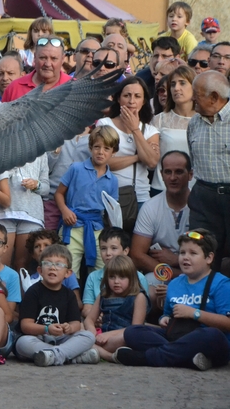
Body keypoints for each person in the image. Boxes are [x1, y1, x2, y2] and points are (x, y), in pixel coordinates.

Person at [115, 230, 230, 370]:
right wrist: (164, 319)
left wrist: (194, 313)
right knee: (133, 331)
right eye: (182, 253)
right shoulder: (174, 283)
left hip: (208, 341)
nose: (186, 258)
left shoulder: (221, 284)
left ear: (209, 258)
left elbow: (227, 323)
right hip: (177, 337)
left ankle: (146, 358)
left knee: (212, 335)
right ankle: (188, 360)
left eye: (193, 253)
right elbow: (167, 314)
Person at [15, 244, 97, 366]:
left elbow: (75, 323)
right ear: (40, 270)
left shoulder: (69, 294)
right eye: (47, 263)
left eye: (59, 265)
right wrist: (47, 329)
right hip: (38, 337)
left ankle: (53, 355)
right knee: (22, 343)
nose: (52, 268)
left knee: (88, 336)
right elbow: (25, 326)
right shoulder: (33, 292)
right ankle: (72, 357)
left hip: (61, 338)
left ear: (68, 273)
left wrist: (69, 328)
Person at [95, 77, 160, 230]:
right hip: (108, 196)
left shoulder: (150, 131)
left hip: (140, 196)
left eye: (137, 96)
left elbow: (151, 162)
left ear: (144, 101)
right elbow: (102, 162)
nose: (131, 101)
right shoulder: (105, 124)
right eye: (127, 95)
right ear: (118, 99)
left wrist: (135, 129)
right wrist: (138, 157)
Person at [54, 125, 120, 275]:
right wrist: (65, 211)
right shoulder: (76, 168)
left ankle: (94, 291)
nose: (101, 152)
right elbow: (58, 194)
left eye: (106, 148)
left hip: (97, 229)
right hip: (73, 225)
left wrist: (113, 235)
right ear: (90, 147)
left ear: (114, 152)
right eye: (97, 147)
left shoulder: (112, 180)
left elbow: (112, 211)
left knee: (102, 270)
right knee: (68, 270)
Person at [186, 71, 230, 266]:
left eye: (196, 94)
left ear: (214, 97)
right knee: (200, 256)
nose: (192, 98)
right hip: (203, 200)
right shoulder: (194, 123)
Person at [131, 151, 192, 288]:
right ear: (161, 174)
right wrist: (175, 274)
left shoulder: (201, 206)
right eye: (168, 172)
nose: (173, 178)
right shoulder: (151, 207)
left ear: (190, 174)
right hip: (164, 273)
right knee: (148, 283)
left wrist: (177, 260)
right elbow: (137, 254)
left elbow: (210, 252)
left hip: (197, 272)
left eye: (179, 172)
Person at [83, 255, 149, 361]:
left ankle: (94, 351)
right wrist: (92, 331)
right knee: (79, 327)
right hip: (101, 334)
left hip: (122, 336)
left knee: (126, 338)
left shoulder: (138, 297)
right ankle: (110, 356)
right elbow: (89, 319)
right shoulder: (104, 295)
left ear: (131, 278)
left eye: (122, 277)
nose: (116, 281)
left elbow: (135, 329)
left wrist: (108, 335)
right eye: (112, 277)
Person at [0, 154, 48, 271]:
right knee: (2, 264)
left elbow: (46, 188)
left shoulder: (42, 152)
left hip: (31, 214)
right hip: (4, 212)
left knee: (23, 266)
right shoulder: (2, 146)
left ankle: (22, 285)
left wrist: (36, 185)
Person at [82, 227, 149, 319]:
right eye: (103, 248)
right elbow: (87, 308)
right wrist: (97, 317)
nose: (108, 253)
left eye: (114, 248)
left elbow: (143, 311)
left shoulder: (139, 277)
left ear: (125, 251)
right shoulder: (93, 277)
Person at [149, 66, 196, 197]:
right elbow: (150, 161)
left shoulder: (204, 120)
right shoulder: (159, 120)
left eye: (182, 83)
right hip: (161, 188)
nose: (176, 88)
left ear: (194, 86)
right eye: (173, 84)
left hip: (195, 189)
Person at [2, 35, 72, 102]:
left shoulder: (74, 87)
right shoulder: (14, 88)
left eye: (54, 58)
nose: (47, 64)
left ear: (62, 59)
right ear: (35, 57)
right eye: (43, 58)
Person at [22, 229, 82, 308]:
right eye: (37, 246)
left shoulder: (67, 275)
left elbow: (77, 303)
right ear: (32, 254)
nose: (41, 249)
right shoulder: (32, 279)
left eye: (46, 245)